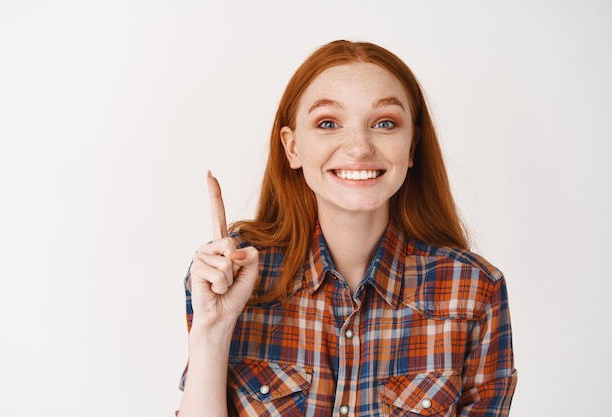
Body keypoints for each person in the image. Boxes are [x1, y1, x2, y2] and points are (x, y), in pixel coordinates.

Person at [176, 40, 517, 417]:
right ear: (292, 148)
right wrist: (212, 329)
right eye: (328, 123)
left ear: (411, 146)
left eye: (385, 123)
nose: (359, 147)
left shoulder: (474, 290)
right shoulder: (229, 276)